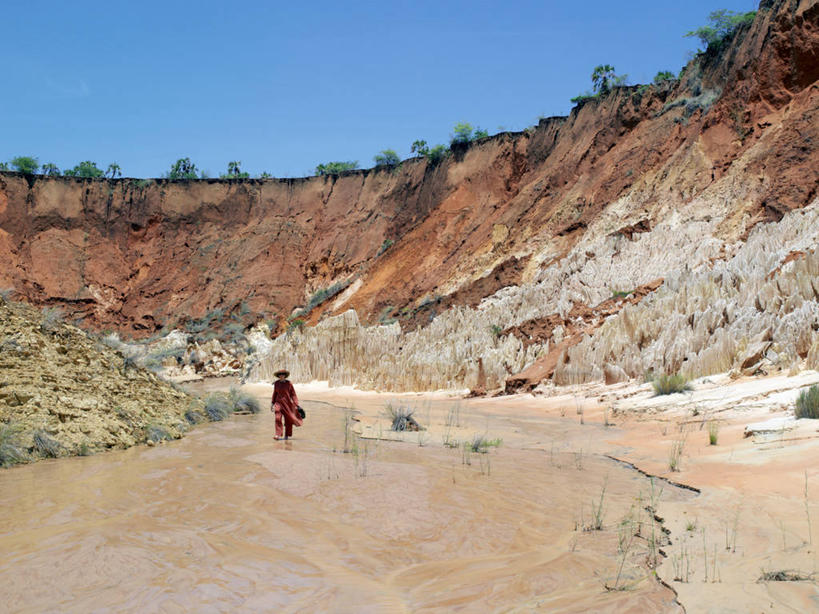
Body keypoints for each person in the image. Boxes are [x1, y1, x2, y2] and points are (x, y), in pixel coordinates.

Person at [271, 369, 302, 440]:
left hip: (287, 404)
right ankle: (277, 434)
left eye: (283, 374)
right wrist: (272, 403)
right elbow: (275, 394)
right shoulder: (276, 383)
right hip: (278, 403)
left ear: (285, 376)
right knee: (277, 418)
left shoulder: (289, 384)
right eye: (280, 375)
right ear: (278, 376)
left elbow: (293, 394)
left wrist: (296, 404)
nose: (281, 376)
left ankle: (286, 435)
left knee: (288, 420)